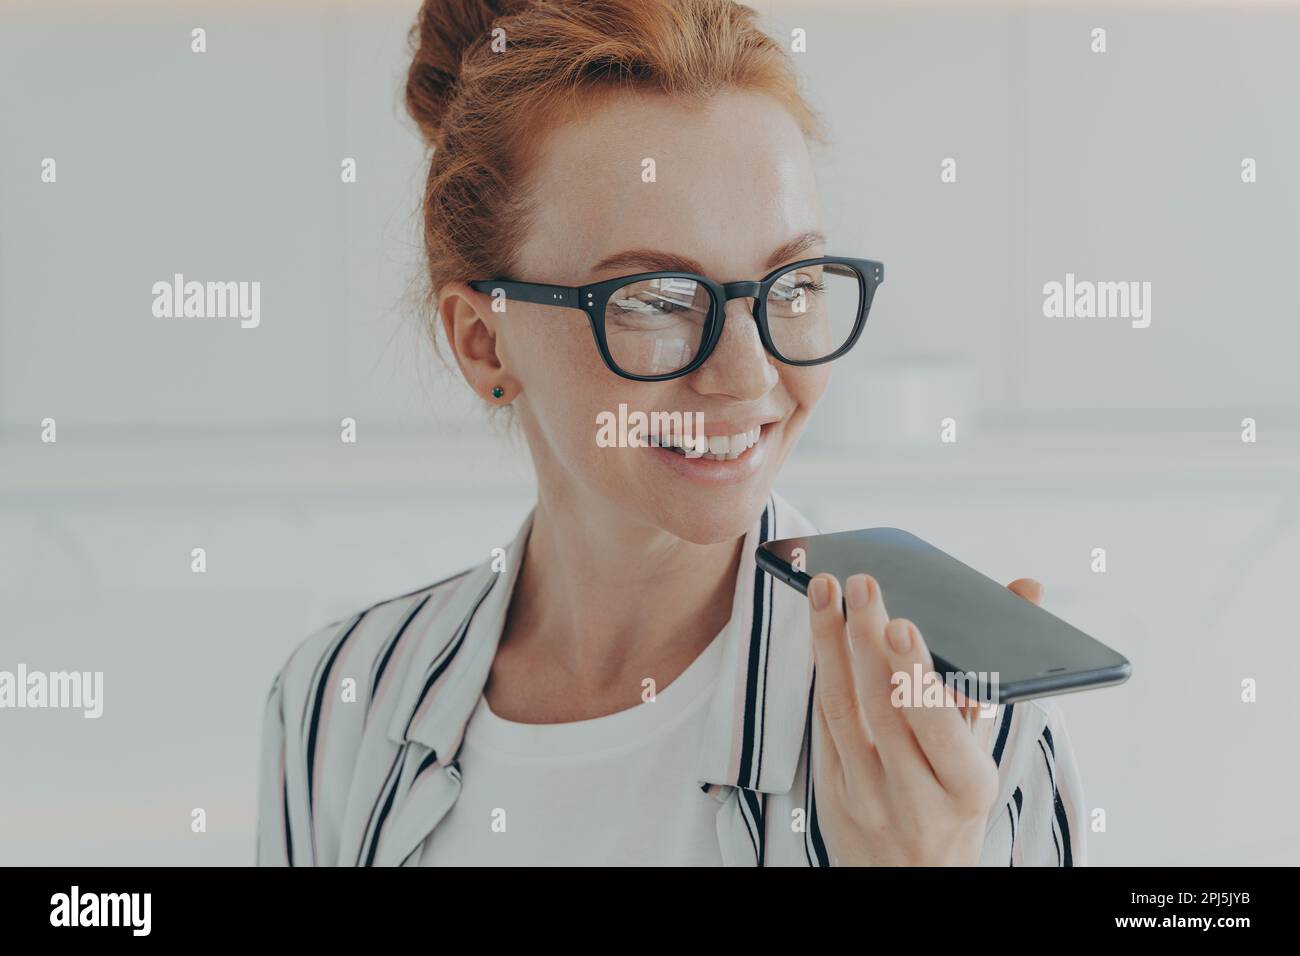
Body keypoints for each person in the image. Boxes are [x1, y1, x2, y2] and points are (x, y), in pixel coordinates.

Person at [256, 0, 1085, 866]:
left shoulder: (963, 734)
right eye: (656, 299)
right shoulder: (337, 705)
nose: (749, 374)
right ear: (484, 339)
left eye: (792, 283)